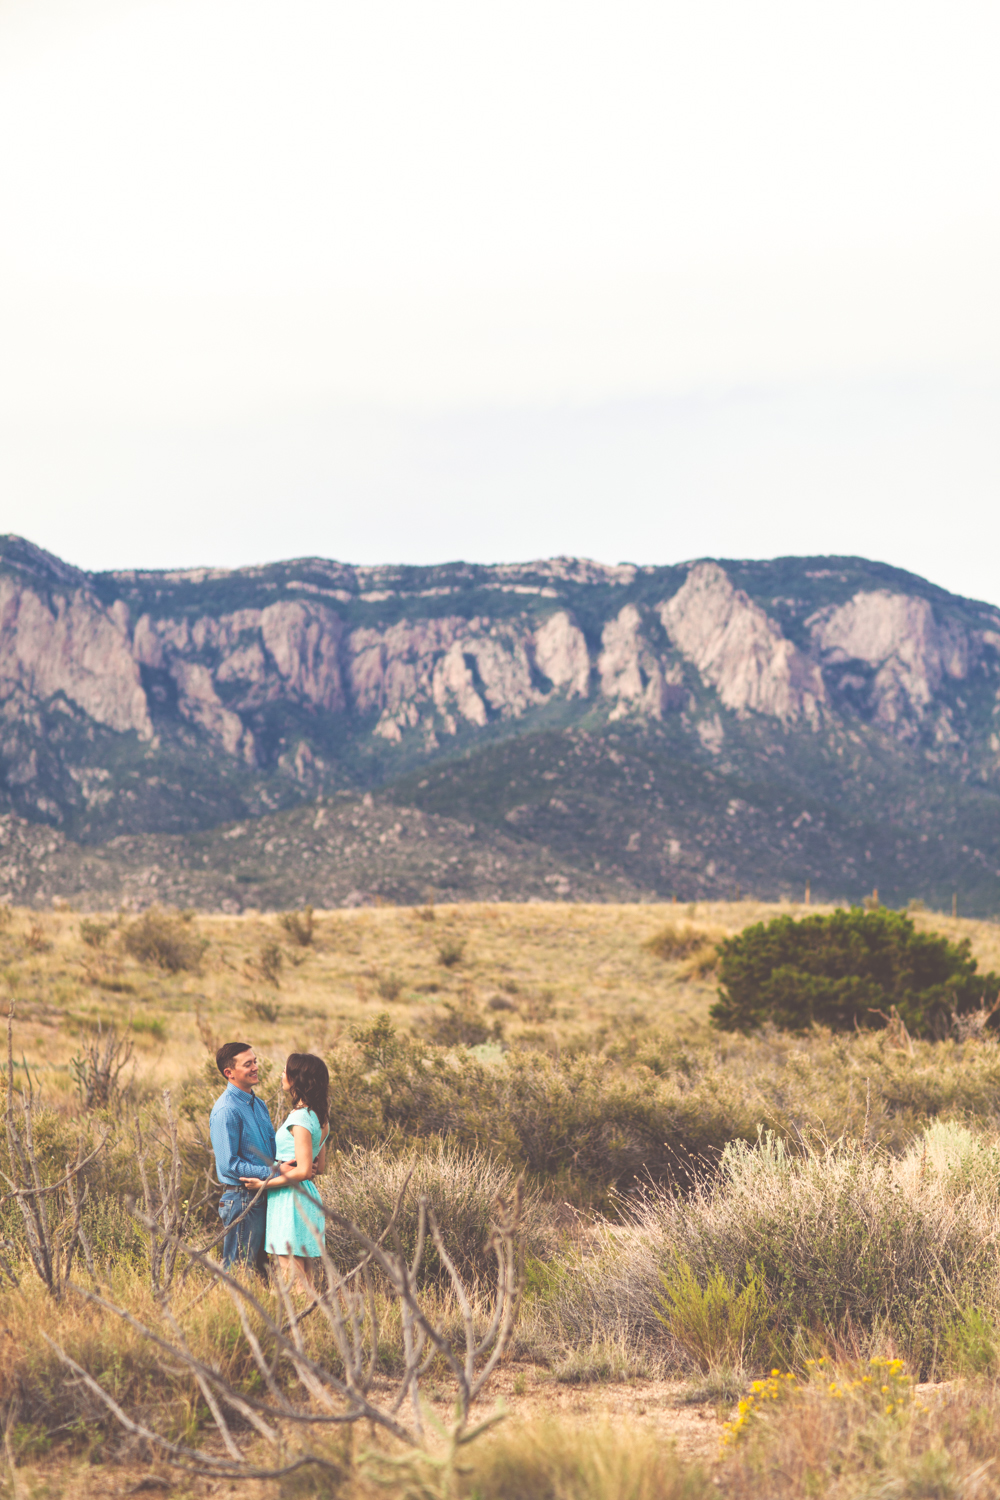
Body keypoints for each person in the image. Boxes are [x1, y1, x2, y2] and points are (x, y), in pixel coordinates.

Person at [240, 1052, 329, 1294]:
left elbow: (303, 1170)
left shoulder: (299, 1118)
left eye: (286, 1071)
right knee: (305, 1277)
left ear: (299, 1078)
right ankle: (312, 1326)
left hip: (289, 1199)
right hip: (307, 1197)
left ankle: (295, 1327)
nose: (282, 1075)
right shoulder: (319, 1118)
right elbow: (317, 1168)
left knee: (291, 1275)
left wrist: (262, 1185)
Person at [209, 1042, 277, 1274]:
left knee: (262, 1271)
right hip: (242, 1199)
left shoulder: (259, 1105)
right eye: (248, 1064)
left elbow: (270, 1152)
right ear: (229, 1073)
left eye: (255, 1061)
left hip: (264, 1194)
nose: (255, 1067)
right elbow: (229, 1165)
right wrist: (272, 1172)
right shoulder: (226, 1110)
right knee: (238, 1272)